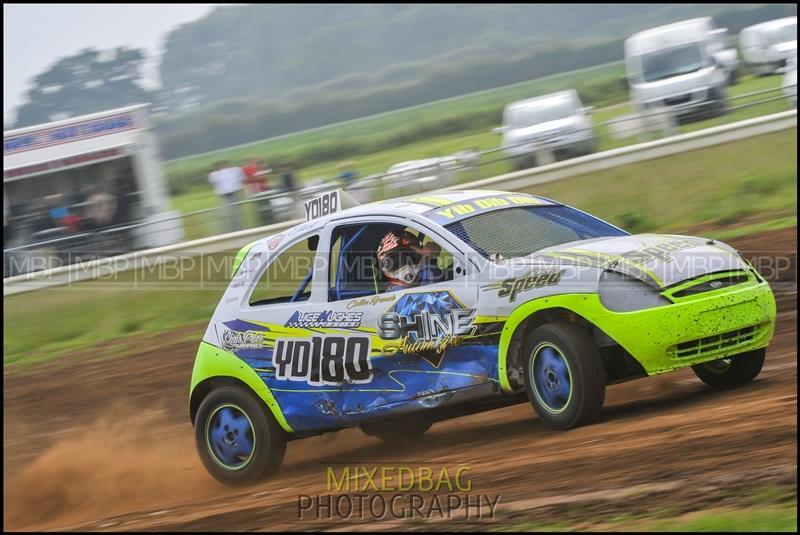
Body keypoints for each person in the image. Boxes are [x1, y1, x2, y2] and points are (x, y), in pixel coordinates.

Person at [376, 229, 443, 292]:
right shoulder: (391, 295)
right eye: (396, 262)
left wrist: (430, 258)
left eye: (411, 256)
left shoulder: (426, 272)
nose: (406, 267)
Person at [209, 160, 246, 232]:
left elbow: (240, 180)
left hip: (234, 192)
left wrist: (242, 190)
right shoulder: (214, 174)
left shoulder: (234, 170)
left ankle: (238, 227)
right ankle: (231, 228)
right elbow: (214, 184)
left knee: (236, 211)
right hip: (224, 194)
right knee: (227, 212)